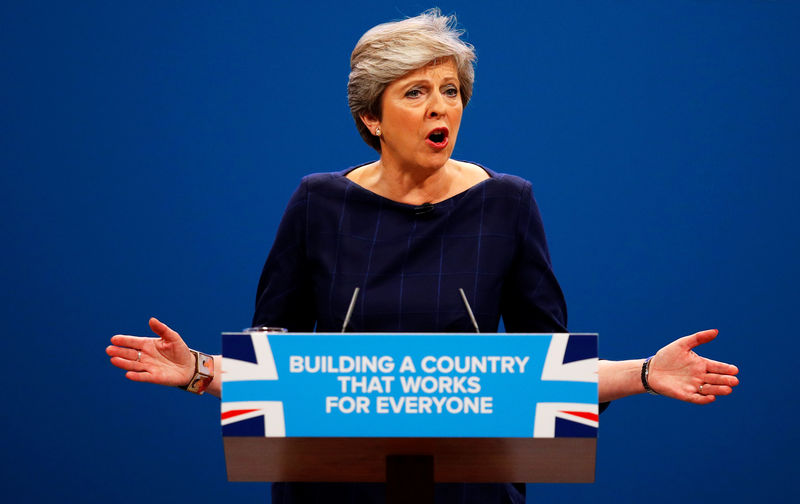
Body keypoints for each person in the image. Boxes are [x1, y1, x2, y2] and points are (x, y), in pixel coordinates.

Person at [106, 9, 739, 504]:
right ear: (371, 117)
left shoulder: (507, 204)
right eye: (415, 93)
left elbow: (547, 372)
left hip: (469, 491)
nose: (441, 107)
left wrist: (647, 373)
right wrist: (195, 369)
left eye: (450, 90)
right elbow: (276, 366)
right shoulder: (318, 204)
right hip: (333, 492)